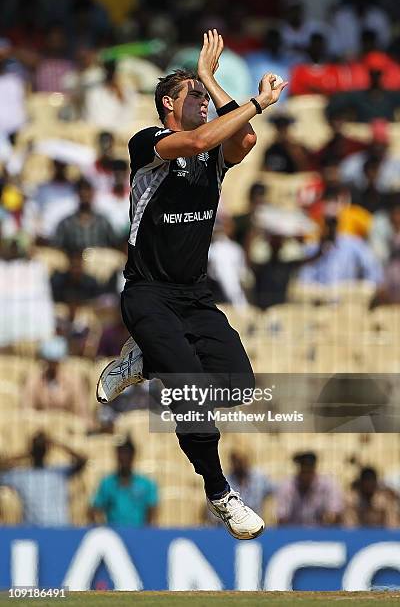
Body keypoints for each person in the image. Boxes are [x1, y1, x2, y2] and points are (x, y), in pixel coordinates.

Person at [96, 29, 288, 540]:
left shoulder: (211, 157)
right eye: (196, 96)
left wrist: (211, 77)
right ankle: (220, 493)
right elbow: (203, 138)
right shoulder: (150, 144)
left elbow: (242, 140)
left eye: (206, 97)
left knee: (239, 385)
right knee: (192, 393)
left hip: (194, 297)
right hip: (148, 294)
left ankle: (143, 362)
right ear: (168, 104)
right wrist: (254, 101)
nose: (205, 102)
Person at [0, 431, 86, 526]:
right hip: (33, 531)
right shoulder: (21, 475)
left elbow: (83, 460)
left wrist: (56, 444)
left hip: (60, 529)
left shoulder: (59, 472)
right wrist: (27, 454)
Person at [89, 436, 158, 527]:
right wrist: (103, 530)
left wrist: (146, 534)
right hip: (115, 536)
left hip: (139, 534)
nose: (124, 457)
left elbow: (152, 511)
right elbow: (95, 509)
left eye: (127, 453)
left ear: (133, 455)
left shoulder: (146, 484)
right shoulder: (107, 483)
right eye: (121, 453)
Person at [21, 336, 91, 425]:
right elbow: (26, 410)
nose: (52, 365)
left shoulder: (74, 381)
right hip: (40, 429)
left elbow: (82, 413)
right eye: (49, 361)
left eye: (55, 362)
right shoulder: (33, 380)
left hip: (68, 430)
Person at [277, 451, 343, 526]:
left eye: (309, 471)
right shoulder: (288, 486)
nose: (306, 476)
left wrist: (330, 517)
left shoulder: (329, 485)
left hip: (322, 533)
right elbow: (282, 517)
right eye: (304, 471)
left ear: (314, 469)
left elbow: (335, 513)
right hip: (295, 533)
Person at [54, 177, 117, 253]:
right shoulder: (66, 223)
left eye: (87, 190)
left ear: (93, 193)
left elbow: (115, 246)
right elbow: (56, 248)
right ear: (77, 193)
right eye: (81, 190)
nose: (84, 193)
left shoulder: (103, 222)